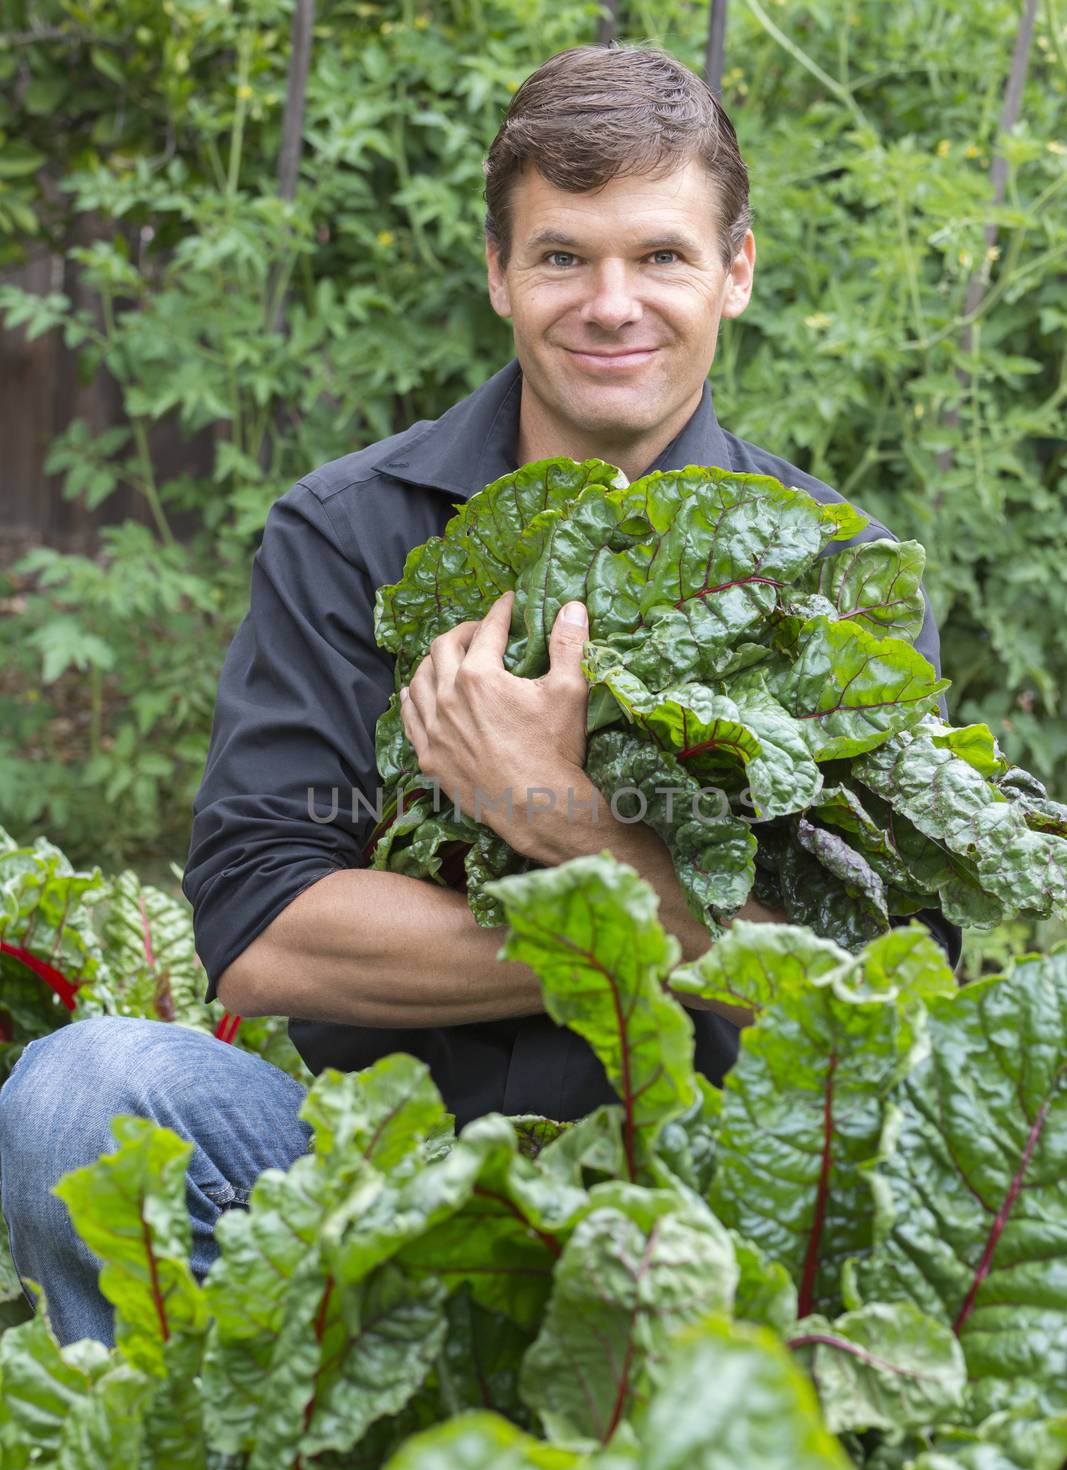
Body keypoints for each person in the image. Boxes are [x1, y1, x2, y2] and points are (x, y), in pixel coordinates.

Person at [0, 43, 960, 1346]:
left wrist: (558, 817)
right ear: (500, 272)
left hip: (701, 1245)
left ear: (734, 271)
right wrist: (661, 932)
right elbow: (265, 929)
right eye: (564, 256)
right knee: (74, 1095)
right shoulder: (344, 535)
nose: (611, 302)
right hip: (372, 1200)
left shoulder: (841, 574)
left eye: (661, 256)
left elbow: (880, 1004)